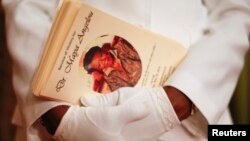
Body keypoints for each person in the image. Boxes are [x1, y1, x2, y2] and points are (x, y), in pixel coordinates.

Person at [2, 0, 250, 141]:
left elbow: (235, 11)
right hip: (70, 117)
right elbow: (26, 4)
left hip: (188, 116)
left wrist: (185, 94)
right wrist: (55, 115)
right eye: (100, 65)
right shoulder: (99, 79)